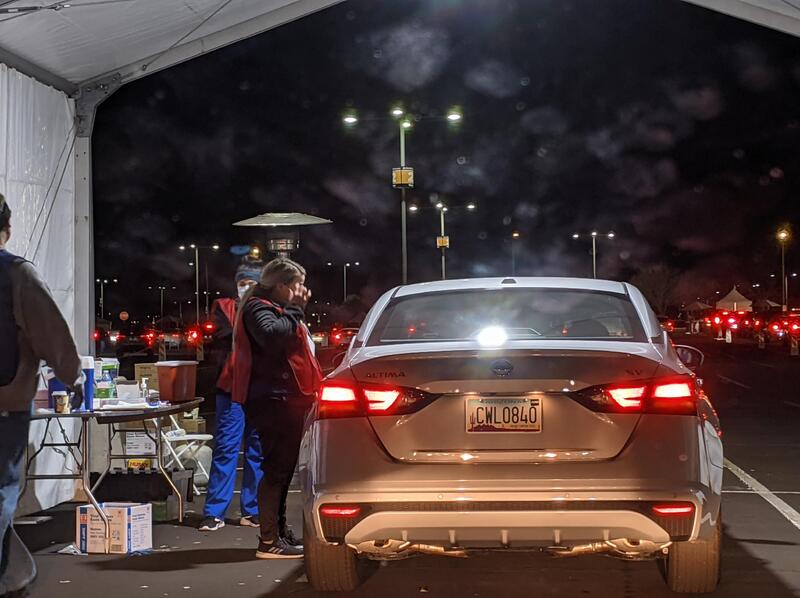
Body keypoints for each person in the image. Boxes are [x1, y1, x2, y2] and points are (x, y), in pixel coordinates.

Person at [0, 193, 83, 595]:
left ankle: (12, 577)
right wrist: (74, 378)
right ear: (7, 229)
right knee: (2, 490)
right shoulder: (16, 273)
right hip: (5, 406)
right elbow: (52, 336)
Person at [232, 257, 322, 559]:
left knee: (282, 469)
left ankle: (279, 532)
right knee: (275, 468)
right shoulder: (258, 307)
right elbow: (272, 337)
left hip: (284, 396)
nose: (302, 291)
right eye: (297, 285)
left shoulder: (270, 306)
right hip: (273, 398)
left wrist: (294, 310)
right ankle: (269, 540)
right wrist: (297, 309)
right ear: (282, 286)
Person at [198, 261, 264, 532]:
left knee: (257, 451)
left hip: (261, 388)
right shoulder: (223, 307)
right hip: (232, 387)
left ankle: (254, 510)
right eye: (243, 283)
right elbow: (225, 336)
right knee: (226, 448)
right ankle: (215, 512)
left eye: (251, 283)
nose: (246, 287)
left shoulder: (269, 309)